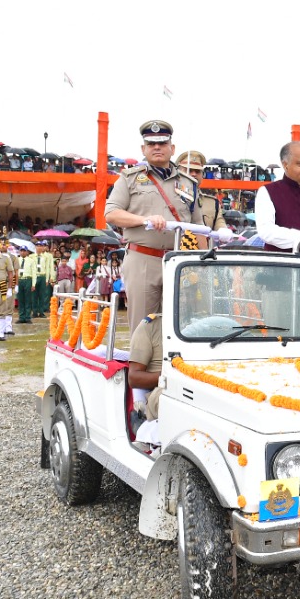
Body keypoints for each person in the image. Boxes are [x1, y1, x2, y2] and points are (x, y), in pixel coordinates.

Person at [105, 121, 204, 333]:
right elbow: (111, 213)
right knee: (142, 327)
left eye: (162, 143)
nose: (156, 147)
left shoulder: (188, 183)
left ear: (172, 148)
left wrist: (205, 262)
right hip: (143, 260)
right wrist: (144, 219)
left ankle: (171, 366)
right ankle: (140, 366)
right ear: (143, 149)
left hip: (179, 262)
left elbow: (198, 226)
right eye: (151, 143)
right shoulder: (129, 178)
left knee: (180, 325)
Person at [129, 312, 164, 449]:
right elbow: (134, 377)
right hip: (163, 390)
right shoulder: (150, 326)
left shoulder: (209, 324)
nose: (186, 297)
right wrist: (170, 376)